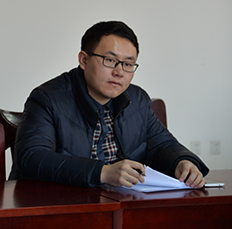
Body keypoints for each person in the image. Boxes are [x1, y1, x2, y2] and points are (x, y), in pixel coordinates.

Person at [11, 21, 208, 188]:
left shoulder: (137, 99)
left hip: (122, 202)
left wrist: (182, 162)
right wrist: (102, 172)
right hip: (59, 203)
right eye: (110, 60)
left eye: (128, 64)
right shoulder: (48, 98)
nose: (119, 72)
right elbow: (31, 158)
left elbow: (162, 144)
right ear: (84, 60)